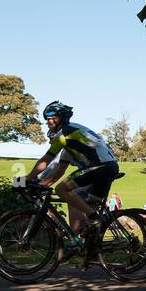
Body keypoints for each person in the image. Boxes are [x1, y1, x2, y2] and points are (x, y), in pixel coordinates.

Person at [26, 101, 120, 245]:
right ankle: (87, 249)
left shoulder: (64, 135)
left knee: (62, 189)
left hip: (99, 167)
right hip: (107, 168)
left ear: (60, 118)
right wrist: (42, 184)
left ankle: (91, 221)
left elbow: (45, 160)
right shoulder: (69, 143)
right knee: (76, 201)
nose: (47, 122)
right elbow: (59, 170)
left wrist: (25, 180)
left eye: (50, 118)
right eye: (46, 119)